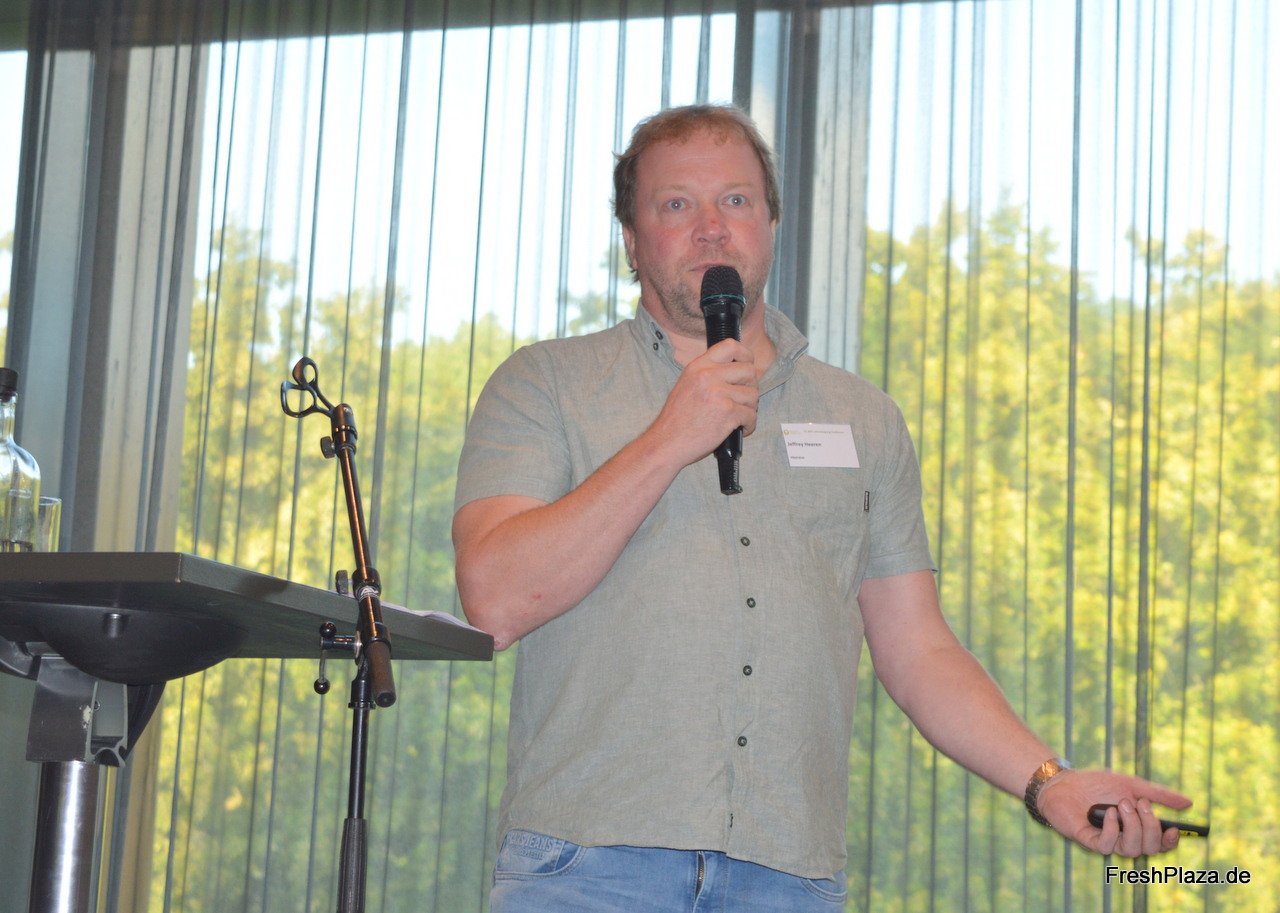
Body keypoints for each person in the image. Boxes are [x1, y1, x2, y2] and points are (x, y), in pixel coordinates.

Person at [452, 104, 1195, 912]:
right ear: (632, 241)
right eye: (676, 204)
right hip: (586, 871)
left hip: (789, 878)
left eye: (736, 201)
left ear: (771, 225)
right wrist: (670, 436)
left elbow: (918, 649)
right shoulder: (545, 383)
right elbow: (496, 598)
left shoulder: (863, 418)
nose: (711, 227)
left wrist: (1048, 779)